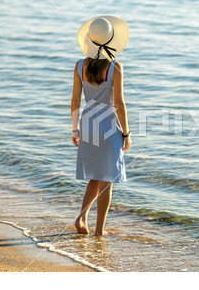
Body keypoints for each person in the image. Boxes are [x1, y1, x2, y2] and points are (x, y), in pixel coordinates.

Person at [71, 15, 131, 237]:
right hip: (108, 125)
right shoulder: (115, 66)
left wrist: (75, 129)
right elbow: (120, 104)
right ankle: (99, 230)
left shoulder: (79, 65)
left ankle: (81, 217)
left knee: (95, 176)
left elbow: (75, 101)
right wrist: (126, 133)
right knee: (107, 179)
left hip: (87, 123)